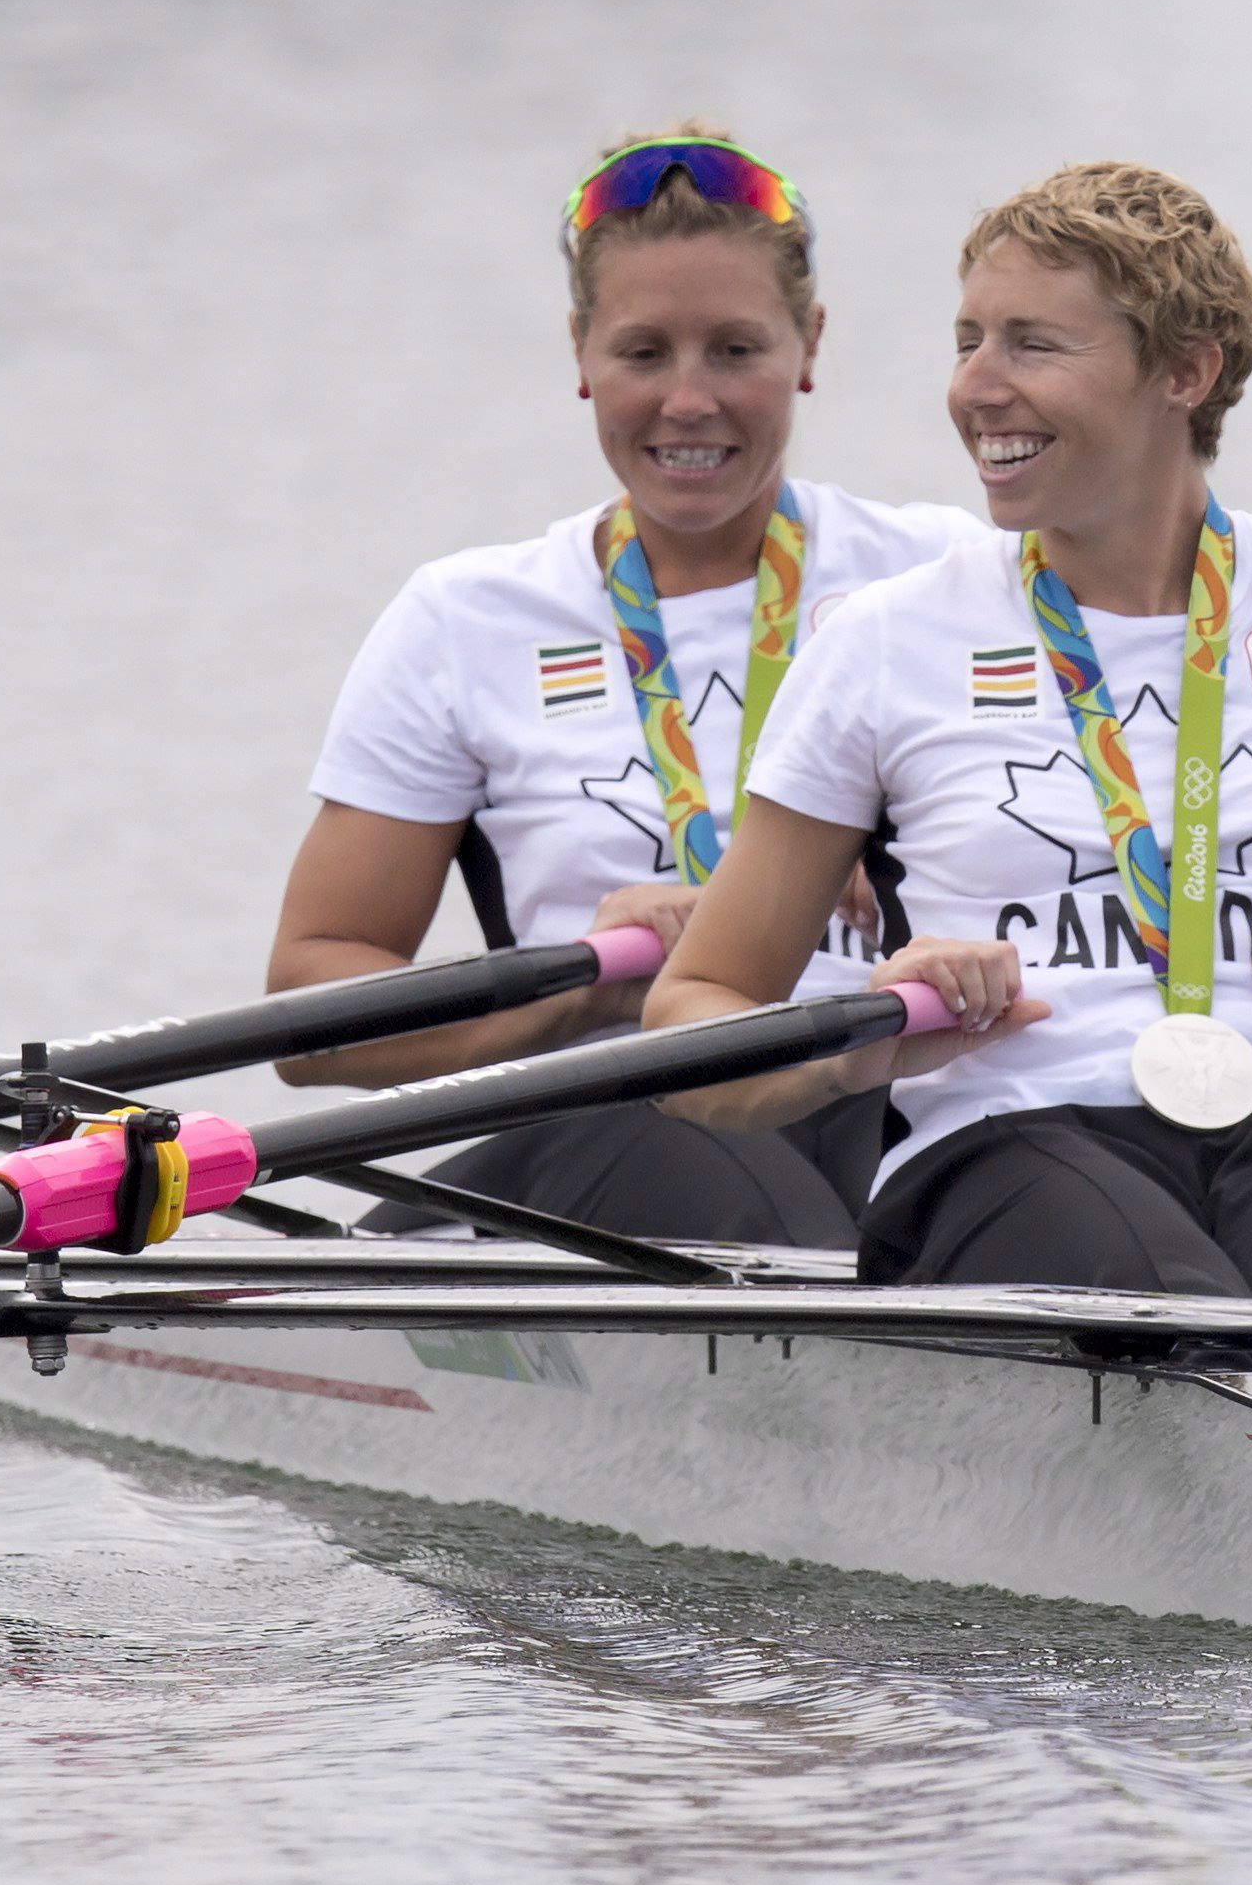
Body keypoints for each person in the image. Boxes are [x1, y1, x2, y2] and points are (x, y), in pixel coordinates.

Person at [644, 162, 1252, 1417]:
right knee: (1178, 1340)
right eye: (967, 338)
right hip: (1004, 1143)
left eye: (1034, 343)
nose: (975, 386)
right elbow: (690, 1023)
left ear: (1184, 373)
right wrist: (867, 1038)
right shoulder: (884, 642)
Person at [267, 126, 981, 1247]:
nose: (688, 402)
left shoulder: (941, 578)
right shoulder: (467, 620)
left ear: (809, 344)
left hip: (880, 1109)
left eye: (735, 350)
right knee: (699, 1143)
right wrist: (594, 988)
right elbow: (311, 1017)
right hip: (606, 1125)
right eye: (644, 353)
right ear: (581, 353)